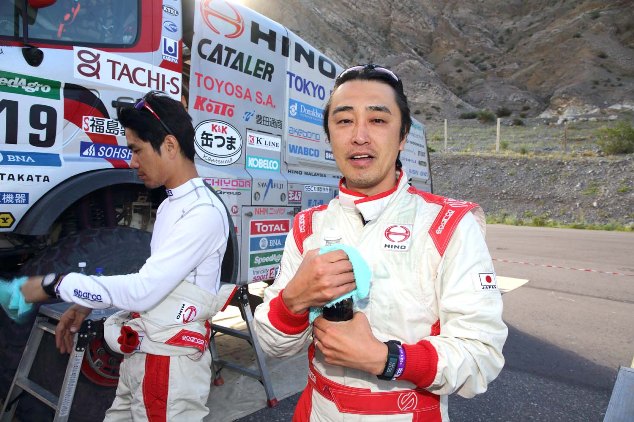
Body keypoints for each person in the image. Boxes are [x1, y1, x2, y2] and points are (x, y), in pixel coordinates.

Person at [252, 64, 508, 421]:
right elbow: (271, 346)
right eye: (343, 121)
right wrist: (293, 300)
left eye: (377, 120)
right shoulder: (307, 226)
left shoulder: (450, 224)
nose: (359, 136)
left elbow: (481, 357)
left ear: (402, 136)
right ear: (329, 136)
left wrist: (386, 358)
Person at [21, 91, 235, 421]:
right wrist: (85, 302)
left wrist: (57, 284)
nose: (132, 161)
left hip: (169, 369)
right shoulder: (171, 205)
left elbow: (145, 290)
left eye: (136, 149)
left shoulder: (202, 212)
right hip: (144, 356)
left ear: (169, 146)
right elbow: (155, 279)